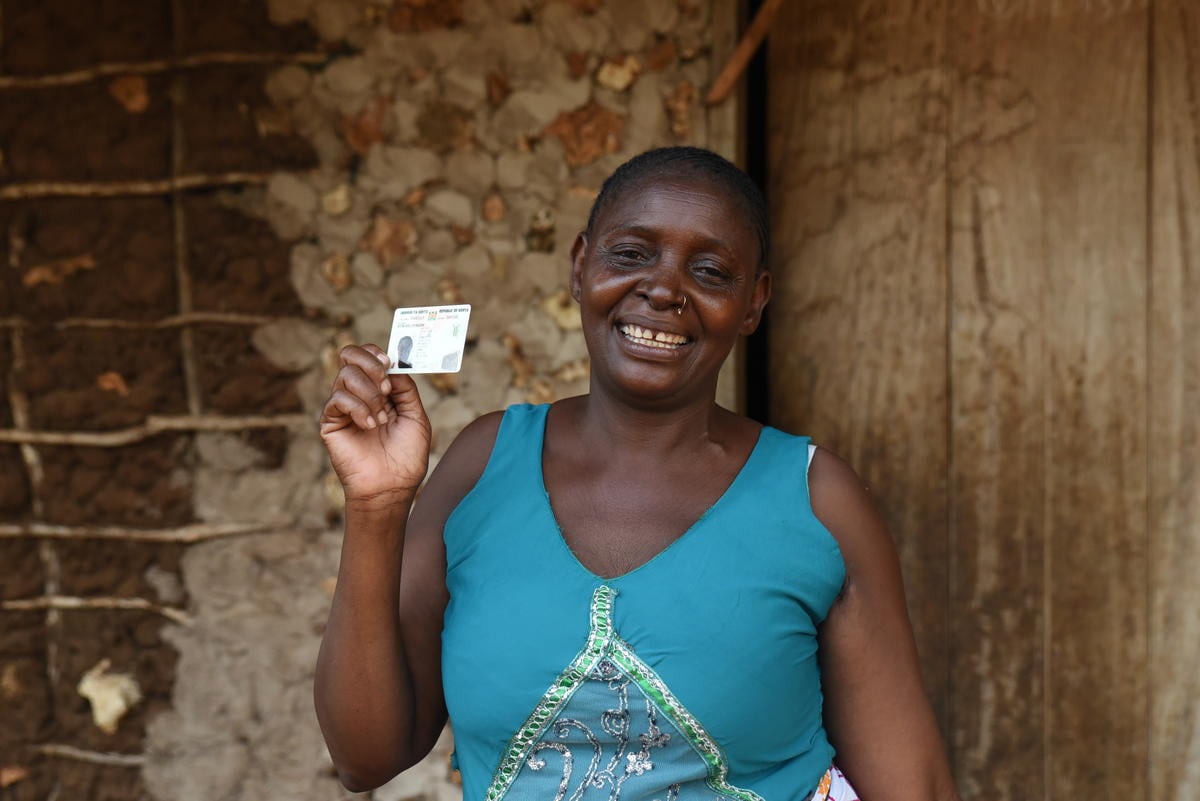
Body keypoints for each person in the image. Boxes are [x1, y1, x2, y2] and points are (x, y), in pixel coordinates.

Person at [314, 147, 961, 801]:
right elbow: (365, 758)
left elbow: (916, 787)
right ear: (580, 266)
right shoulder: (484, 465)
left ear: (753, 302)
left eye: (710, 271)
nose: (664, 289)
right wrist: (376, 504)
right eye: (630, 255)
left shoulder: (817, 500)